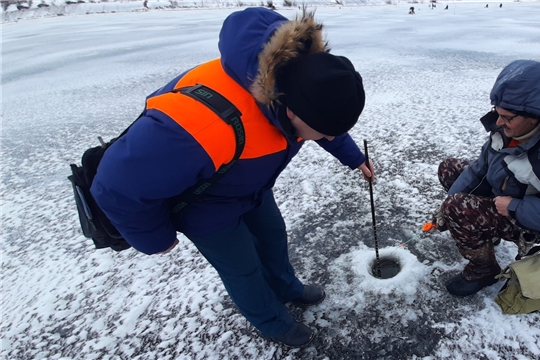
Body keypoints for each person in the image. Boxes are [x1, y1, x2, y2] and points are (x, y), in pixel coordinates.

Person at [91, 7, 373, 347]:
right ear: (292, 110)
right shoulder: (200, 126)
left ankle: (286, 287)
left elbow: (326, 122)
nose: (324, 137)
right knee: (243, 267)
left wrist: (353, 157)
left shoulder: (301, 84)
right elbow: (115, 185)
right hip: (204, 205)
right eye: (320, 132)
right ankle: (271, 321)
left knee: (272, 235)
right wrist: (156, 240)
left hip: (248, 183)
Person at [434, 60, 540, 297]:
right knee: (450, 169)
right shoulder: (506, 130)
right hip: (505, 195)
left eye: (508, 117)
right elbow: (479, 168)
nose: (499, 123)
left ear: (534, 116)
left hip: (528, 217)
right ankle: (486, 235)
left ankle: (484, 270)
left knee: (458, 208)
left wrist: (515, 206)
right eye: (497, 113)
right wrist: (446, 205)